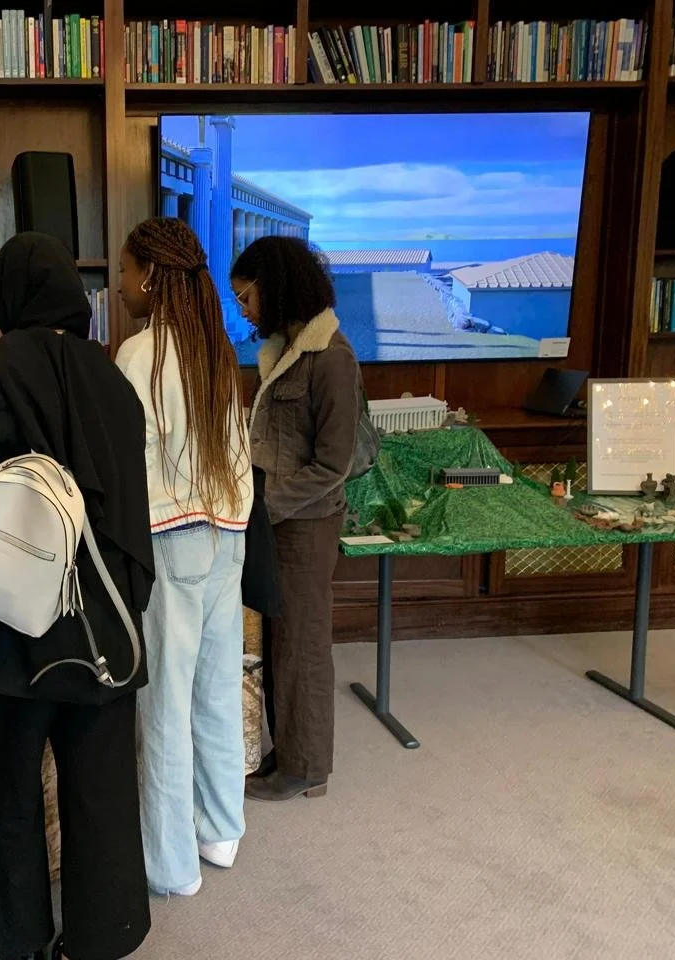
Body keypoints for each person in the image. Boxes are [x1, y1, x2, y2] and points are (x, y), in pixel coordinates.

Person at [0, 233, 154, 960]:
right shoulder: (114, 379)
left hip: (11, 630)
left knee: (10, 788)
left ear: (4, 303)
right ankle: (105, 932)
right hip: (106, 625)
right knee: (101, 788)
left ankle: (20, 933)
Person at [115, 218, 252, 896]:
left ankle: (171, 867)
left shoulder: (138, 355)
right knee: (217, 688)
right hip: (230, 532)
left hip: (170, 538)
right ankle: (221, 831)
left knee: (164, 704)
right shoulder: (216, 348)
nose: (117, 282)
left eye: (123, 268)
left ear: (148, 274)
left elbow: (126, 463)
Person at [231, 236, 360, 803]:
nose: (243, 309)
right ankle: (291, 754)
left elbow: (334, 463)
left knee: (302, 643)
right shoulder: (286, 350)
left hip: (304, 524)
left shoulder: (332, 358)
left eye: (247, 296)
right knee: (281, 641)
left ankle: (306, 768)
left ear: (275, 287)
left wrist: (267, 504)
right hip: (277, 520)